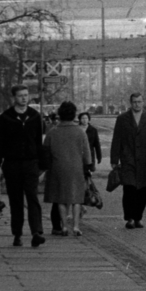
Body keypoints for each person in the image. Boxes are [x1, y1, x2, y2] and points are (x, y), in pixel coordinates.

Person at [0, 85, 46, 247]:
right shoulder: (6, 118)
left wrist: (42, 165)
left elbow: (39, 143)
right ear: (14, 98)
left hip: (30, 163)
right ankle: (17, 234)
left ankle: (36, 232)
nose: (24, 98)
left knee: (32, 197)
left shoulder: (35, 116)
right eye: (20, 96)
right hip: (12, 164)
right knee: (15, 200)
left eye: (26, 95)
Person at [111, 92, 146, 229]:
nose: (137, 104)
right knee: (129, 190)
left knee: (142, 190)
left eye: (139, 102)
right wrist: (114, 159)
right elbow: (117, 139)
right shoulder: (122, 119)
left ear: (143, 102)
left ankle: (138, 217)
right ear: (130, 103)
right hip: (128, 159)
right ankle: (129, 218)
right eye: (134, 102)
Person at [43, 100, 91, 236]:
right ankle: (75, 226)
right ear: (74, 115)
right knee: (76, 198)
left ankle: (64, 226)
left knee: (60, 198)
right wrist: (89, 165)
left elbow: (45, 152)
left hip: (57, 168)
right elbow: (87, 154)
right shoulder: (80, 132)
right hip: (76, 168)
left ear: (60, 114)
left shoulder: (53, 132)